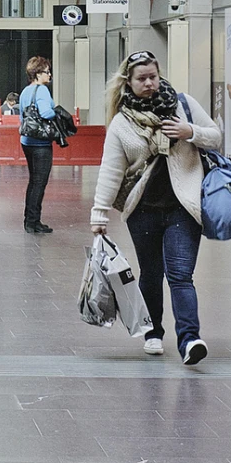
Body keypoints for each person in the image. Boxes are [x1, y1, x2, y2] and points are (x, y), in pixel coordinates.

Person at [90, 48, 222, 367]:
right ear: (129, 82)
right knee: (151, 273)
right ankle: (153, 332)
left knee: (180, 274)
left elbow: (215, 137)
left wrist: (191, 132)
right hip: (143, 210)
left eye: (153, 76)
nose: (149, 83)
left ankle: (190, 339)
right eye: (142, 79)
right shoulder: (122, 122)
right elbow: (111, 169)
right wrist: (99, 212)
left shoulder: (183, 105)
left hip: (183, 206)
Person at [17, 57, 58, 234]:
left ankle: (30, 220)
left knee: (34, 181)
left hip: (27, 141)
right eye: (47, 72)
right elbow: (46, 113)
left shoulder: (26, 91)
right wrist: (57, 112)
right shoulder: (41, 90)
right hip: (41, 143)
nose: (49, 75)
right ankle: (33, 222)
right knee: (39, 182)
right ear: (38, 73)